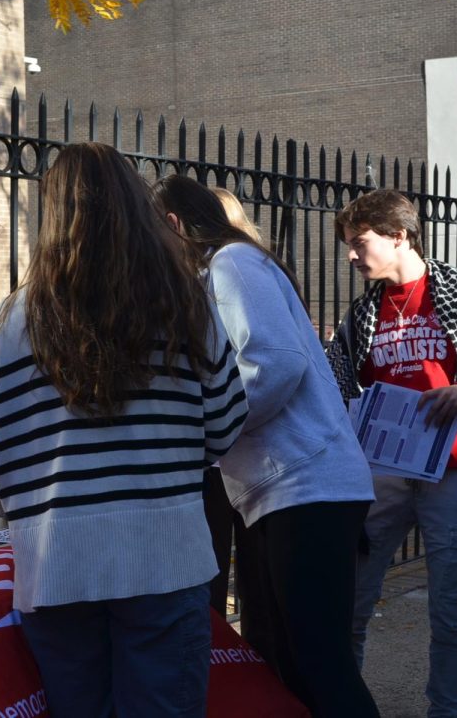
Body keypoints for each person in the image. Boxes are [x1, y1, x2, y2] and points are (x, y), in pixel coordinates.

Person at [0, 144, 249, 718]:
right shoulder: (183, 305)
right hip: (163, 556)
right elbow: (224, 425)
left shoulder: (11, 322)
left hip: (56, 564)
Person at [154, 174, 378, 718]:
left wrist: (210, 430)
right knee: (298, 664)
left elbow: (274, 363)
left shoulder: (233, 263)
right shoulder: (219, 271)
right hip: (287, 488)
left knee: (320, 664)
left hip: (306, 485)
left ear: (175, 225)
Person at [326, 188, 457, 718]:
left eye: (358, 243)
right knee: (350, 602)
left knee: (451, 609)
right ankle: (347, 705)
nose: (350, 256)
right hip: (381, 473)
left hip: (455, 472)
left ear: (398, 236)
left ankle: (448, 710)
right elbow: (342, 390)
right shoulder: (362, 314)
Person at [202, 186, 259, 615]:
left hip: (237, 441)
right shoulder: (243, 265)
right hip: (226, 451)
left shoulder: (233, 268)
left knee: (240, 572)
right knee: (219, 570)